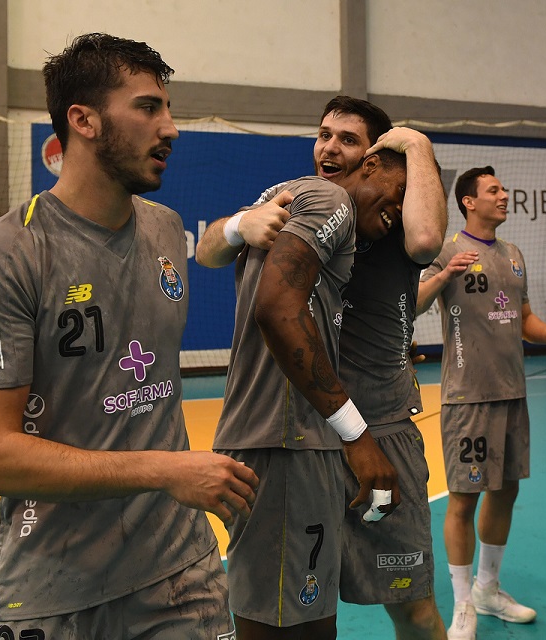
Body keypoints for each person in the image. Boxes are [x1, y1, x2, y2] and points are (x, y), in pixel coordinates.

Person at [0, 33, 259, 640]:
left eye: (168, 108)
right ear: (83, 121)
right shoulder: (7, 257)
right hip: (53, 589)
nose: (170, 129)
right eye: (147, 108)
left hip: (180, 574)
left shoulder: (165, 231)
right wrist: (164, 470)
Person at [197, 96, 449, 639]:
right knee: (299, 612)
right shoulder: (309, 201)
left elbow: (428, 239)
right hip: (313, 432)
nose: (329, 148)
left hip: (376, 429)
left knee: (409, 607)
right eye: (324, 135)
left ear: (375, 158)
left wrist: (416, 143)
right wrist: (241, 223)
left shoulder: (393, 217)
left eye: (348, 140)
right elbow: (207, 252)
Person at [417, 165, 546, 639]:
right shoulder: (446, 250)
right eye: (494, 190)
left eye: (504, 189)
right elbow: (415, 300)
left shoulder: (512, 254)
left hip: (513, 394)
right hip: (468, 397)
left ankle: (488, 589)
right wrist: (445, 274)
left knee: (506, 491)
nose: (504, 195)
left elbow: (524, 318)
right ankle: (463, 604)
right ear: (469, 201)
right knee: (463, 499)